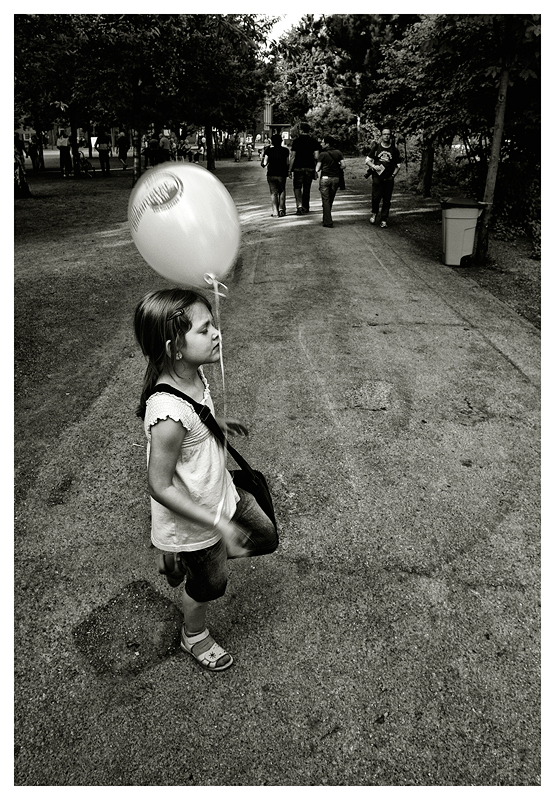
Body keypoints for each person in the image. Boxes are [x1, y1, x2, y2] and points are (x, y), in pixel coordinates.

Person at [134, 288, 278, 672]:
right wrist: (215, 525)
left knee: (266, 537)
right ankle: (193, 635)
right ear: (173, 347)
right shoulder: (166, 413)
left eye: (213, 324)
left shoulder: (194, 376)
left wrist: (215, 424)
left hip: (220, 493)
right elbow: (159, 485)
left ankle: (183, 559)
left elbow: (194, 422)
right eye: (204, 329)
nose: (216, 333)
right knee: (212, 584)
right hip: (196, 520)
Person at [365, 125, 402, 228]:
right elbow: (367, 160)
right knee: (376, 197)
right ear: (381, 136)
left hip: (389, 178)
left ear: (390, 136)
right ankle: (374, 213)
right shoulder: (376, 147)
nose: (386, 136)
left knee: (387, 199)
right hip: (377, 177)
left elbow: (398, 165)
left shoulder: (394, 150)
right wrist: (374, 166)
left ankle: (384, 219)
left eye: (388, 134)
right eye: (384, 134)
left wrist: (393, 175)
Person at [288, 122, 320, 215]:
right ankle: (306, 207)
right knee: (307, 188)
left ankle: (299, 206)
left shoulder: (296, 141)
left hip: (298, 167)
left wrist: (289, 169)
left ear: (301, 130)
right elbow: (316, 156)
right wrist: (316, 169)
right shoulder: (314, 141)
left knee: (297, 188)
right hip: (309, 167)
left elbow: (293, 156)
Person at [315, 135, 345, 228]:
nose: (321, 144)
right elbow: (343, 165)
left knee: (325, 200)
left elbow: (317, 168)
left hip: (325, 178)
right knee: (330, 199)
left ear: (327, 144)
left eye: (323, 142)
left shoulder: (322, 154)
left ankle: (328, 221)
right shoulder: (338, 153)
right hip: (335, 179)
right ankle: (326, 218)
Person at [262, 133, 290, 218]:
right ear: (281, 141)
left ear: (272, 142)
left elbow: (264, 163)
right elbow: (287, 163)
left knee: (273, 193)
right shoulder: (285, 150)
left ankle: (275, 212)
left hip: (271, 174)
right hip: (282, 174)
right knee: (282, 191)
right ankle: (281, 209)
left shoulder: (269, 151)